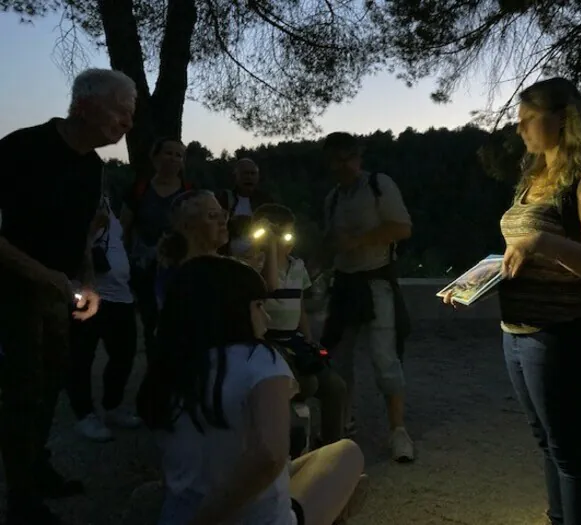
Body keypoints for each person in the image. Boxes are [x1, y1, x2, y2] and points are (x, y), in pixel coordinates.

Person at [447, 78, 581, 525]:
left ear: (563, 120)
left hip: (562, 333)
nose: (520, 128)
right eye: (519, 119)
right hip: (518, 332)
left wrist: (542, 242)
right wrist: (478, 280)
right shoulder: (535, 179)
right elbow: (520, 250)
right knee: (547, 441)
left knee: (569, 449)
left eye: (529, 118)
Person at [137, 256, 368, 525]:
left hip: (179, 514)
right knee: (347, 453)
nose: (267, 319)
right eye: (259, 306)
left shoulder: (169, 367)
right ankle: (334, 510)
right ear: (230, 310)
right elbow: (269, 455)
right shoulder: (259, 358)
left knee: (305, 465)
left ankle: (337, 505)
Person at [0, 68, 136, 524]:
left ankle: (35, 468)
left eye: (130, 115)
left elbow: (80, 233)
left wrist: (87, 283)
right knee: (21, 391)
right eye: (120, 111)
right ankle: (21, 501)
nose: (127, 124)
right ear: (84, 105)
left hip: (59, 294)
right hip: (13, 291)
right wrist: (44, 276)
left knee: (50, 386)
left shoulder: (92, 166)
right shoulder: (21, 149)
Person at [319, 132, 414, 463]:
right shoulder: (333, 197)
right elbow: (332, 242)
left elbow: (402, 228)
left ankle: (398, 431)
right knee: (337, 358)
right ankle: (343, 425)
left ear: (359, 158)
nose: (343, 165)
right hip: (344, 284)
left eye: (349, 157)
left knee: (384, 358)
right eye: (336, 159)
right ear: (329, 162)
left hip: (376, 282)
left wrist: (356, 241)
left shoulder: (379, 185)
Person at [252, 203, 347, 447]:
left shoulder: (297, 266)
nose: (287, 240)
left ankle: (329, 446)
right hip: (267, 340)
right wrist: (269, 251)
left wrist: (308, 339)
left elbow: (300, 307)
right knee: (307, 384)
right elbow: (266, 288)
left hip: (292, 338)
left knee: (334, 386)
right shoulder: (253, 266)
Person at [68, 195, 141, 442]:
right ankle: (84, 415)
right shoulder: (76, 203)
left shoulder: (107, 204)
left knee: (125, 352)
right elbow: (71, 243)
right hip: (89, 292)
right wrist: (93, 227)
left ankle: (112, 406)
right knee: (81, 356)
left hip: (121, 294)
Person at [120, 137, 191, 358]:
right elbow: (123, 228)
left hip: (179, 269)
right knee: (151, 322)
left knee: (179, 321)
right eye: (168, 153)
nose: (173, 159)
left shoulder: (190, 191)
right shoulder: (138, 190)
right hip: (144, 269)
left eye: (178, 155)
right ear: (155, 157)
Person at [154, 189, 230, 309]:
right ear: (186, 225)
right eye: (212, 215)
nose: (222, 222)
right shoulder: (178, 276)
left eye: (224, 215)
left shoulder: (225, 268)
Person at [216, 157, 273, 256]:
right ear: (236, 176)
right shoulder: (224, 199)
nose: (249, 177)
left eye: (252, 173)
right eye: (245, 173)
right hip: (228, 257)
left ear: (258, 177)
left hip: (260, 256)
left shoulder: (266, 201)